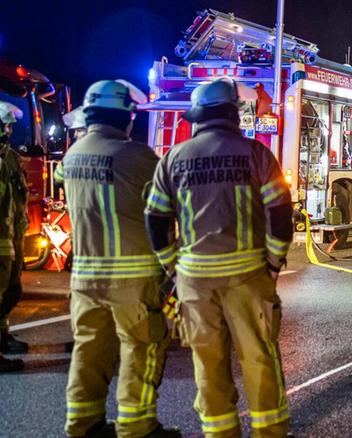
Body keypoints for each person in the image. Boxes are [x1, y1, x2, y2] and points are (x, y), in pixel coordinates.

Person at [145, 79, 294, 437]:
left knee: (208, 366)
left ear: (198, 117)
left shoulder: (173, 159)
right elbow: (280, 212)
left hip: (195, 282)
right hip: (249, 277)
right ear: (234, 113)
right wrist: (273, 263)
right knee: (259, 361)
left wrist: (173, 267)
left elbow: (155, 218)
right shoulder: (256, 154)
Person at [61, 80, 180, 437]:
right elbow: (169, 205)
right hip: (133, 280)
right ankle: (137, 426)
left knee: (89, 352)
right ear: (126, 117)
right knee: (141, 348)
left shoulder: (72, 156)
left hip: (84, 279)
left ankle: (83, 424)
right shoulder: (138, 157)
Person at [0, 102, 29, 373]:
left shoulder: (9, 157)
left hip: (11, 233)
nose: (9, 131)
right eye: (6, 125)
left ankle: (3, 336)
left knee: (12, 289)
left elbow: (17, 196)